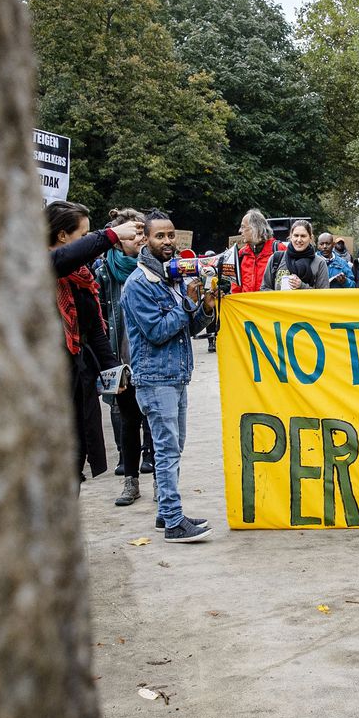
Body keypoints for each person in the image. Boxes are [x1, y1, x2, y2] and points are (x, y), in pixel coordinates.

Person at [120, 210, 216, 543]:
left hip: (177, 376)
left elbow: (189, 329)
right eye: (160, 236)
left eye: (171, 235)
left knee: (175, 447)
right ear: (144, 239)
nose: (167, 241)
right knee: (165, 449)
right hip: (155, 378)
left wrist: (204, 307)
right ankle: (174, 521)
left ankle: (166, 515)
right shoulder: (138, 284)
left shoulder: (172, 278)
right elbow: (157, 332)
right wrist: (185, 304)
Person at [48, 201, 140, 482]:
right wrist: (110, 235)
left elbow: (95, 331)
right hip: (51, 382)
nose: (89, 242)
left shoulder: (82, 277)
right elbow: (61, 260)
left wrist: (114, 371)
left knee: (76, 455)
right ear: (62, 236)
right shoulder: (39, 266)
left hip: (80, 377)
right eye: (83, 235)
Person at [96, 207, 155, 504]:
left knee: (155, 417)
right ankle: (130, 479)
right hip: (117, 357)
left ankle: (158, 475)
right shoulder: (103, 271)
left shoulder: (154, 267)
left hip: (148, 356)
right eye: (135, 235)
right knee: (126, 417)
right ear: (118, 240)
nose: (141, 239)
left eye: (144, 233)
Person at [261, 220, 330, 290]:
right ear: (291, 237)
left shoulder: (319, 263)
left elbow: (323, 296)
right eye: (296, 235)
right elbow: (264, 288)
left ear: (310, 238)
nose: (299, 240)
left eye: (303, 236)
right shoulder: (276, 259)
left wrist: (302, 286)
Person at [231, 209, 283, 294]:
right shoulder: (241, 254)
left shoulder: (278, 249)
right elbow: (236, 288)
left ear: (255, 228)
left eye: (243, 227)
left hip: (270, 305)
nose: (240, 230)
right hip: (246, 305)